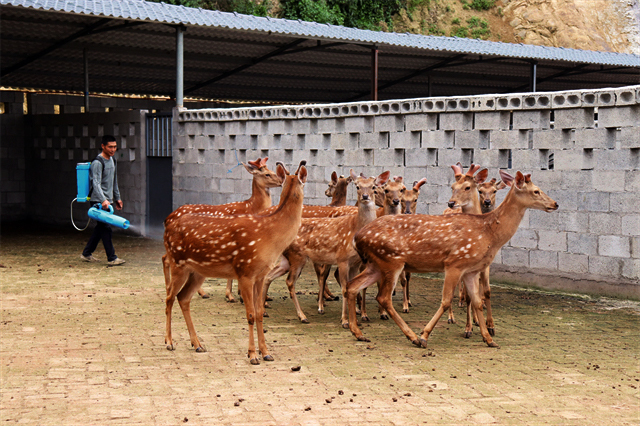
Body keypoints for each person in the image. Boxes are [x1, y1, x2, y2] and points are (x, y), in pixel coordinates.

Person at [80, 135, 126, 266]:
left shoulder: (113, 160)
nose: (113, 149)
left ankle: (86, 253)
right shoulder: (97, 162)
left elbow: (114, 181)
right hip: (98, 201)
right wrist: (103, 200)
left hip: (108, 201)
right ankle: (112, 258)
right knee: (106, 228)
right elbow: (96, 183)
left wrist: (117, 198)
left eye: (115, 147)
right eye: (110, 147)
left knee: (100, 228)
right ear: (103, 146)